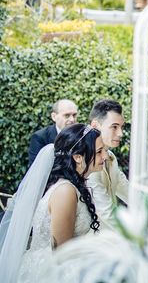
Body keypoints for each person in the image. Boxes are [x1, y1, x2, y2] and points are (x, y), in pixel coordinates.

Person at [0, 124, 107, 282]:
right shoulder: (65, 192)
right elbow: (62, 255)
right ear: (77, 157)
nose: (105, 156)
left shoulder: (75, 184)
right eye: (99, 151)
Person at [87, 99, 128, 230]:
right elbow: (105, 212)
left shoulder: (111, 157)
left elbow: (127, 190)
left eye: (122, 127)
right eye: (114, 127)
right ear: (95, 125)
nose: (121, 133)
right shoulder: (87, 162)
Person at [28, 99, 78, 167]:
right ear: (54, 117)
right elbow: (36, 168)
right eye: (67, 115)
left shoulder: (81, 135)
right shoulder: (40, 137)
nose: (72, 119)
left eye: (74, 115)